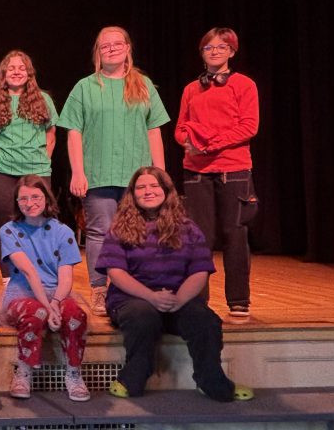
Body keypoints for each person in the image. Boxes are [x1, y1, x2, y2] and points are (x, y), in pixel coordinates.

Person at [97, 167, 254, 401]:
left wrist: (178, 300)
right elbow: (116, 272)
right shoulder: (119, 228)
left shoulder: (188, 228)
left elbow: (200, 271)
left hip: (177, 298)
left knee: (206, 321)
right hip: (132, 300)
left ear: (166, 191)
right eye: (141, 187)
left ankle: (211, 381)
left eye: (154, 186)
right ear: (133, 194)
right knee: (143, 316)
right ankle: (133, 378)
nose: (148, 191)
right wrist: (151, 297)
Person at [58, 26, 170, 316]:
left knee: (142, 231)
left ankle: (139, 286)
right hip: (98, 173)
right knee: (99, 232)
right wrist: (78, 172)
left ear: (127, 48)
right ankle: (99, 289)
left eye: (116, 44)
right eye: (104, 45)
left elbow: (154, 130)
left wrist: (160, 175)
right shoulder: (85, 87)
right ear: (98, 52)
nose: (111, 48)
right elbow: (73, 132)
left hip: (139, 177)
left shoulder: (143, 84)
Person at [174, 28, 259, 318]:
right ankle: (198, 301)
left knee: (234, 234)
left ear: (232, 51)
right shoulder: (191, 89)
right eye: (208, 48)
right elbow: (180, 128)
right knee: (199, 237)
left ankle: (238, 301)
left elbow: (249, 126)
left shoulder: (243, 85)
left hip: (233, 169)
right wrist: (191, 142)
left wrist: (209, 144)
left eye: (221, 47)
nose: (214, 52)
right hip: (196, 170)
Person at [0, 176, 90, 402]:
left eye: (35, 197)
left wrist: (56, 302)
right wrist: (49, 308)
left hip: (55, 293)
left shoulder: (63, 232)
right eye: (23, 199)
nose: (29, 203)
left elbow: (66, 275)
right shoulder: (9, 230)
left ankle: (74, 372)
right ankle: (24, 370)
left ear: (46, 198)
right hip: (23, 293)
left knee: (75, 316)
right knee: (35, 314)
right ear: (16, 202)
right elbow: (30, 273)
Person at [0, 50, 59, 279]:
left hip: (36, 171)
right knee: (8, 226)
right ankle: (9, 280)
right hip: (3, 172)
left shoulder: (43, 99)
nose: (16, 72)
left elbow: (51, 134)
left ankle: (43, 278)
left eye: (21, 68)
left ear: (29, 73)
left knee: (38, 223)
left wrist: (42, 160)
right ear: (3, 74)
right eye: (11, 68)